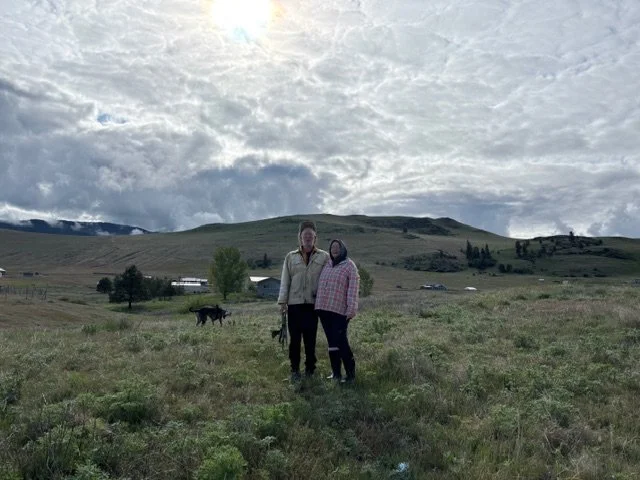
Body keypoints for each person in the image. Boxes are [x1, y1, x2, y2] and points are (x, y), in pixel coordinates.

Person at [277, 220, 330, 381]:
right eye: (304, 235)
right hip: (294, 305)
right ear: (300, 238)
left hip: (313, 305)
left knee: (310, 339)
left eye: (310, 235)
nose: (307, 238)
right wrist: (282, 302)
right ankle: (294, 370)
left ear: (315, 238)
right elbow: (285, 280)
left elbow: (328, 280)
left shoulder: (324, 257)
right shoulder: (290, 257)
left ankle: (310, 371)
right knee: (294, 340)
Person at [315, 239, 360, 384]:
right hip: (324, 308)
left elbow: (353, 289)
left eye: (337, 247)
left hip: (339, 311)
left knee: (342, 342)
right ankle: (335, 373)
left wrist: (351, 308)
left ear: (343, 249)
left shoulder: (349, 266)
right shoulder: (327, 264)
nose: (334, 249)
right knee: (331, 342)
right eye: (332, 247)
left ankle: (351, 374)